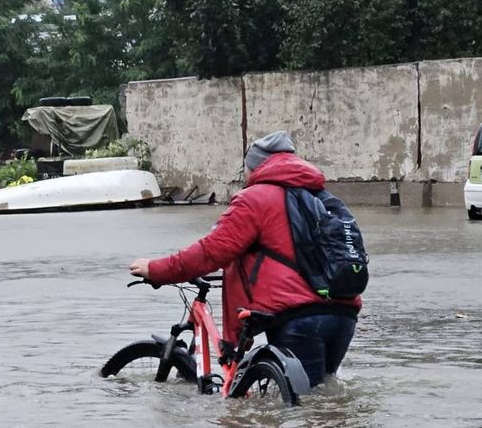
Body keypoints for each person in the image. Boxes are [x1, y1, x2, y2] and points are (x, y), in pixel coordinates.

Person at [129, 131, 362, 388]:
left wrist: (157, 269)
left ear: (254, 168)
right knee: (324, 395)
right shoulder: (323, 198)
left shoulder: (256, 198)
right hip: (344, 312)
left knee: (305, 412)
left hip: (298, 319)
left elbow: (211, 252)